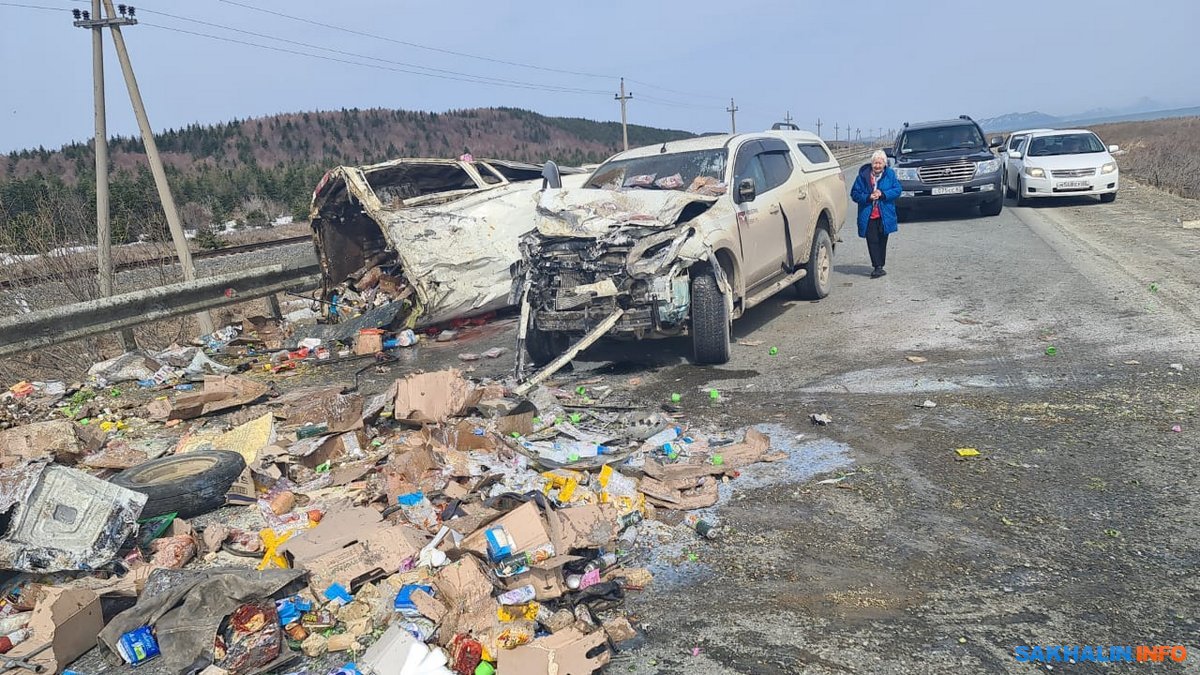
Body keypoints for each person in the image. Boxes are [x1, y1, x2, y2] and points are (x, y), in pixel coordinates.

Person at [850, 150, 901, 278]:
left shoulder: (890, 174)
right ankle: (877, 266)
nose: (877, 166)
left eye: (880, 163)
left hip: (885, 214)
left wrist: (882, 194)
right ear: (871, 163)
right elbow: (854, 194)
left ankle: (880, 265)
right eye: (875, 163)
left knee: (882, 240)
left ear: (884, 164)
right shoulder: (863, 176)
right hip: (868, 215)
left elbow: (897, 190)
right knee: (872, 240)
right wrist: (868, 197)